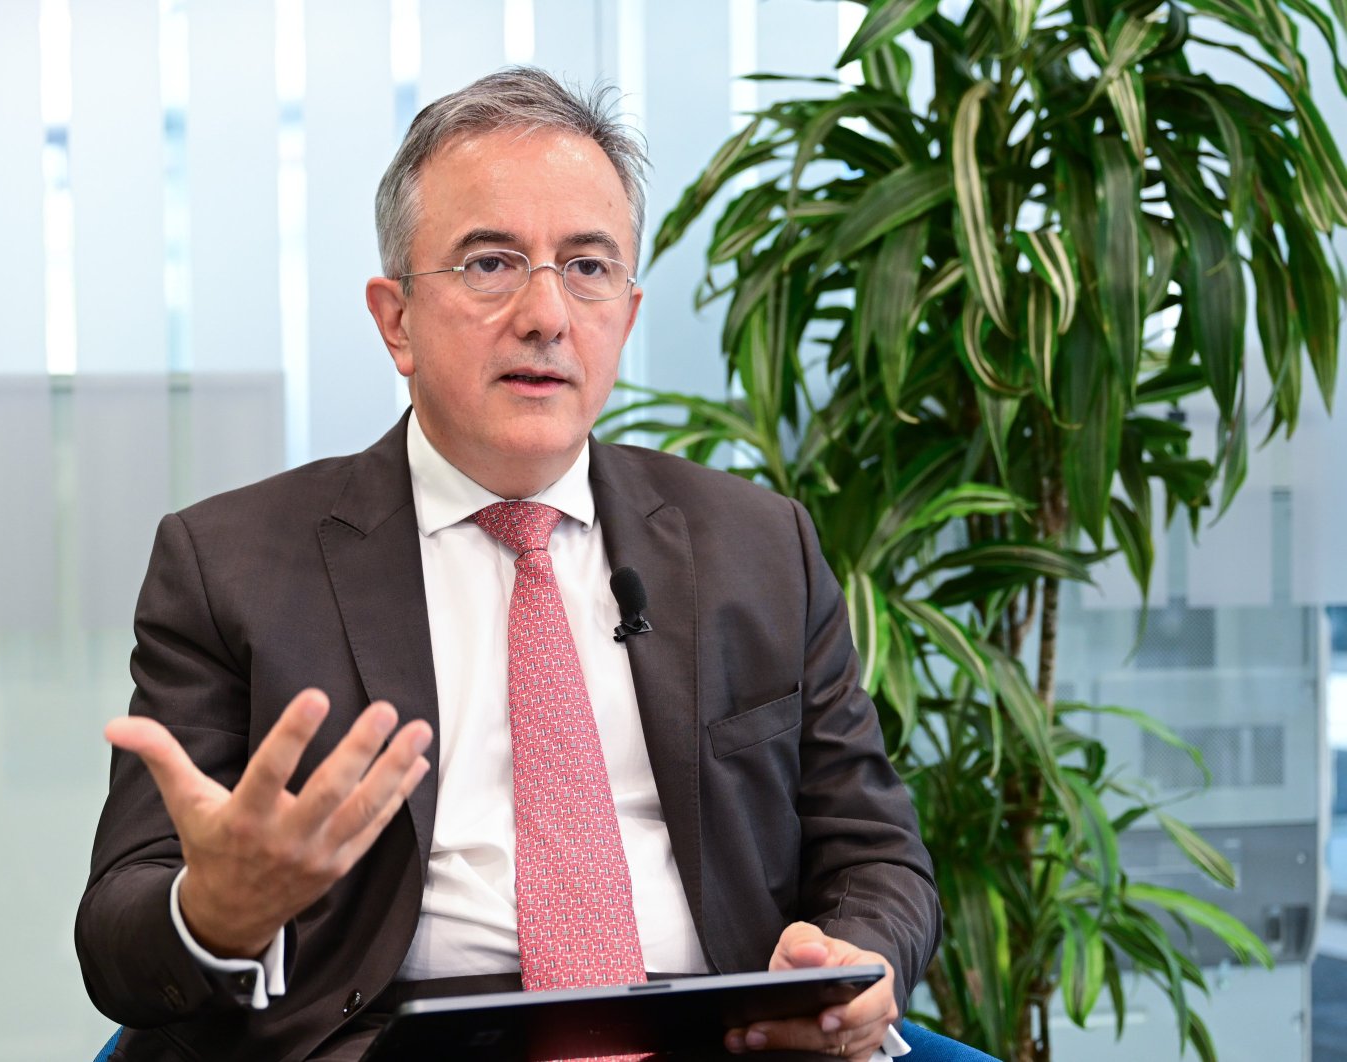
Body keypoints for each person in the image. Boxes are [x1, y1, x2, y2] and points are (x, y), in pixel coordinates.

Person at [76, 66, 940, 1062]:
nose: (546, 315)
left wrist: (852, 961)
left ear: (624, 306)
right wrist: (216, 911)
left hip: (711, 1038)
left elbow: (877, 857)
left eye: (587, 266)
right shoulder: (229, 563)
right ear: (395, 318)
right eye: (490, 263)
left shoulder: (756, 547)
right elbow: (120, 933)